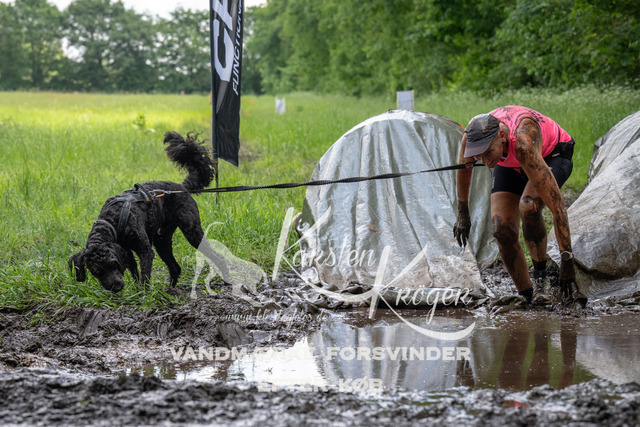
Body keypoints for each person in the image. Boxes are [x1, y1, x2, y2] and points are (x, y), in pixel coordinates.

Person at [453, 105, 587, 306]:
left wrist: (567, 258)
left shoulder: (523, 142)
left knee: (529, 206)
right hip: (511, 162)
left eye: (487, 152)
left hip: (553, 155)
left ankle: (541, 280)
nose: (484, 160)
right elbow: (464, 169)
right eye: (478, 155)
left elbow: (558, 206)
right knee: (501, 228)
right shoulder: (472, 136)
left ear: (502, 136)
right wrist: (463, 212)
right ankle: (526, 295)